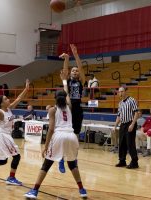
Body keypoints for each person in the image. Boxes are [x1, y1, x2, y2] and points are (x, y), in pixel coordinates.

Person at [24, 71, 87, 199]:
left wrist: (45, 146)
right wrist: (64, 81)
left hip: (59, 135)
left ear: (55, 99)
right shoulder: (69, 106)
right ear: (65, 98)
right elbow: (67, 92)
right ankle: (82, 190)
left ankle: (34, 190)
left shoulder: (53, 110)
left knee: (46, 165)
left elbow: (51, 129)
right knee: (73, 164)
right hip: (72, 135)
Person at [58, 44, 85, 173]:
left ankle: (74, 159)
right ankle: (62, 160)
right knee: (66, 134)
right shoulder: (67, 81)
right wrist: (67, 59)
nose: (75, 71)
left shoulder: (81, 81)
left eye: (76, 71)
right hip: (68, 108)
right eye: (73, 70)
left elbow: (80, 66)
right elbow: (64, 71)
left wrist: (75, 54)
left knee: (76, 136)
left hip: (78, 109)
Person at [114, 86, 139, 169]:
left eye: (122, 91)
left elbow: (136, 113)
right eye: (119, 92)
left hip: (130, 123)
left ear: (126, 92)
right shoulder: (120, 103)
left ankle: (134, 162)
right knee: (121, 143)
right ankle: (122, 161)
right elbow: (119, 115)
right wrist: (115, 125)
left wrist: (132, 124)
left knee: (130, 143)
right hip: (123, 124)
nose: (120, 93)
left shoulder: (132, 100)